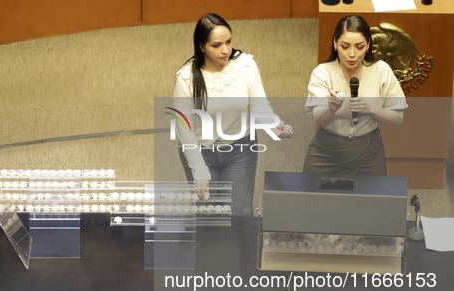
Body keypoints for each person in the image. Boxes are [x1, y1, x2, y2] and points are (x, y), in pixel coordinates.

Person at [173, 13, 291, 217]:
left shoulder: (245, 66)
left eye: (228, 42)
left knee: (240, 213)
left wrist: (275, 125)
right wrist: (199, 171)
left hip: (241, 150)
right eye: (216, 45)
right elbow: (185, 129)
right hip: (201, 151)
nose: (225, 50)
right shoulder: (186, 77)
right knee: (207, 214)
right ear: (201, 46)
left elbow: (259, 105)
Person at [303, 15, 407, 175]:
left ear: (368, 45)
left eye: (359, 47)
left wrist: (371, 109)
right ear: (335, 44)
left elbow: (397, 118)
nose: (352, 54)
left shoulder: (381, 70)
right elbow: (319, 118)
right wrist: (331, 109)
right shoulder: (322, 72)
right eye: (345, 46)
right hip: (326, 152)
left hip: (368, 152)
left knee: (371, 200)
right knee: (314, 199)